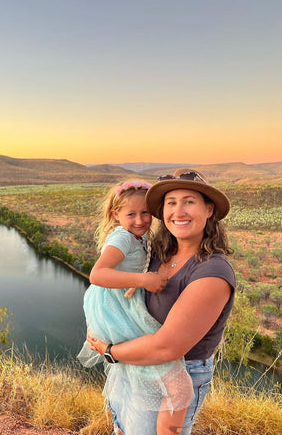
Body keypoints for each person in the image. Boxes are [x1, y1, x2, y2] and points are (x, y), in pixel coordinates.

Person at [88, 169, 236, 435]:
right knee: (122, 427)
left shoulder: (212, 271)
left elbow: (167, 348)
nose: (178, 211)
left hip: (175, 370)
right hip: (135, 364)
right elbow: (110, 287)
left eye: (189, 201)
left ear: (209, 209)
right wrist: (100, 324)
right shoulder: (156, 252)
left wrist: (110, 351)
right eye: (171, 203)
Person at [77, 179, 194, 435]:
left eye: (145, 213)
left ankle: (124, 426)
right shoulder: (123, 237)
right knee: (175, 383)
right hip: (117, 309)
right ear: (115, 214)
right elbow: (97, 275)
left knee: (135, 372)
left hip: (120, 306)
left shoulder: (138, 237)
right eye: (131, 214)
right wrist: (144, 280)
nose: (140, 220)